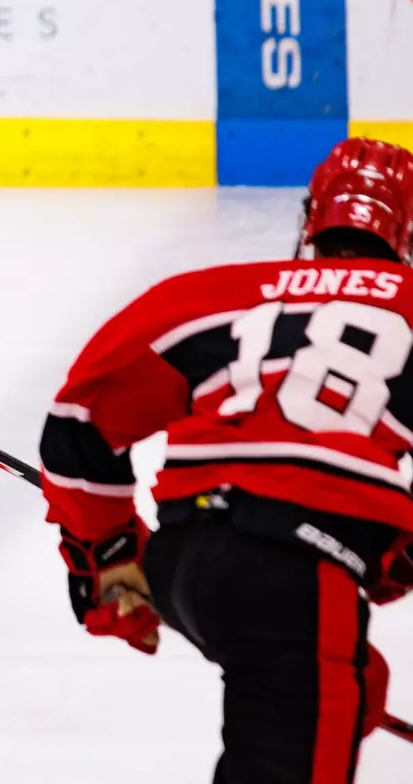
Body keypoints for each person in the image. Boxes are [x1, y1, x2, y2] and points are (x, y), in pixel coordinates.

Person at [39, 137, 413, 782]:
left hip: (185, 561)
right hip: (298, 570)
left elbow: (79, 423)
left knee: (348, 682)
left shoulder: (211, 293)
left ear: (310, 220)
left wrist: (108, 554)